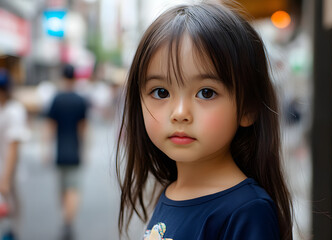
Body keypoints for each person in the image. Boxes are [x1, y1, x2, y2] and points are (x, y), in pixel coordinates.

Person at [116, 2, 293, 240]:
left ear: (248, 108)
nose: (179, 113)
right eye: (160, 92)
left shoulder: (248, 211)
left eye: (206, 93)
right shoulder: (170, 193)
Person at [46, 64, 88, 240]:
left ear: (63, 77)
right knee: (74, 189)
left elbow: (50, 125)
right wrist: (84, 148)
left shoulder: (56, 99)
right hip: (74, 148)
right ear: (75, 78)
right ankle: (68, 222)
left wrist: (47, 148)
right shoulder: (80, 100)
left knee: (63, 189)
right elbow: (83, 127)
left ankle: (66, 218)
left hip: (60, 149)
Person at [0, 68, 29, 240]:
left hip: (8, 173)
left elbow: (14, 147)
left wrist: (6, 179)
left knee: (11, 212)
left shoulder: (14, 110)